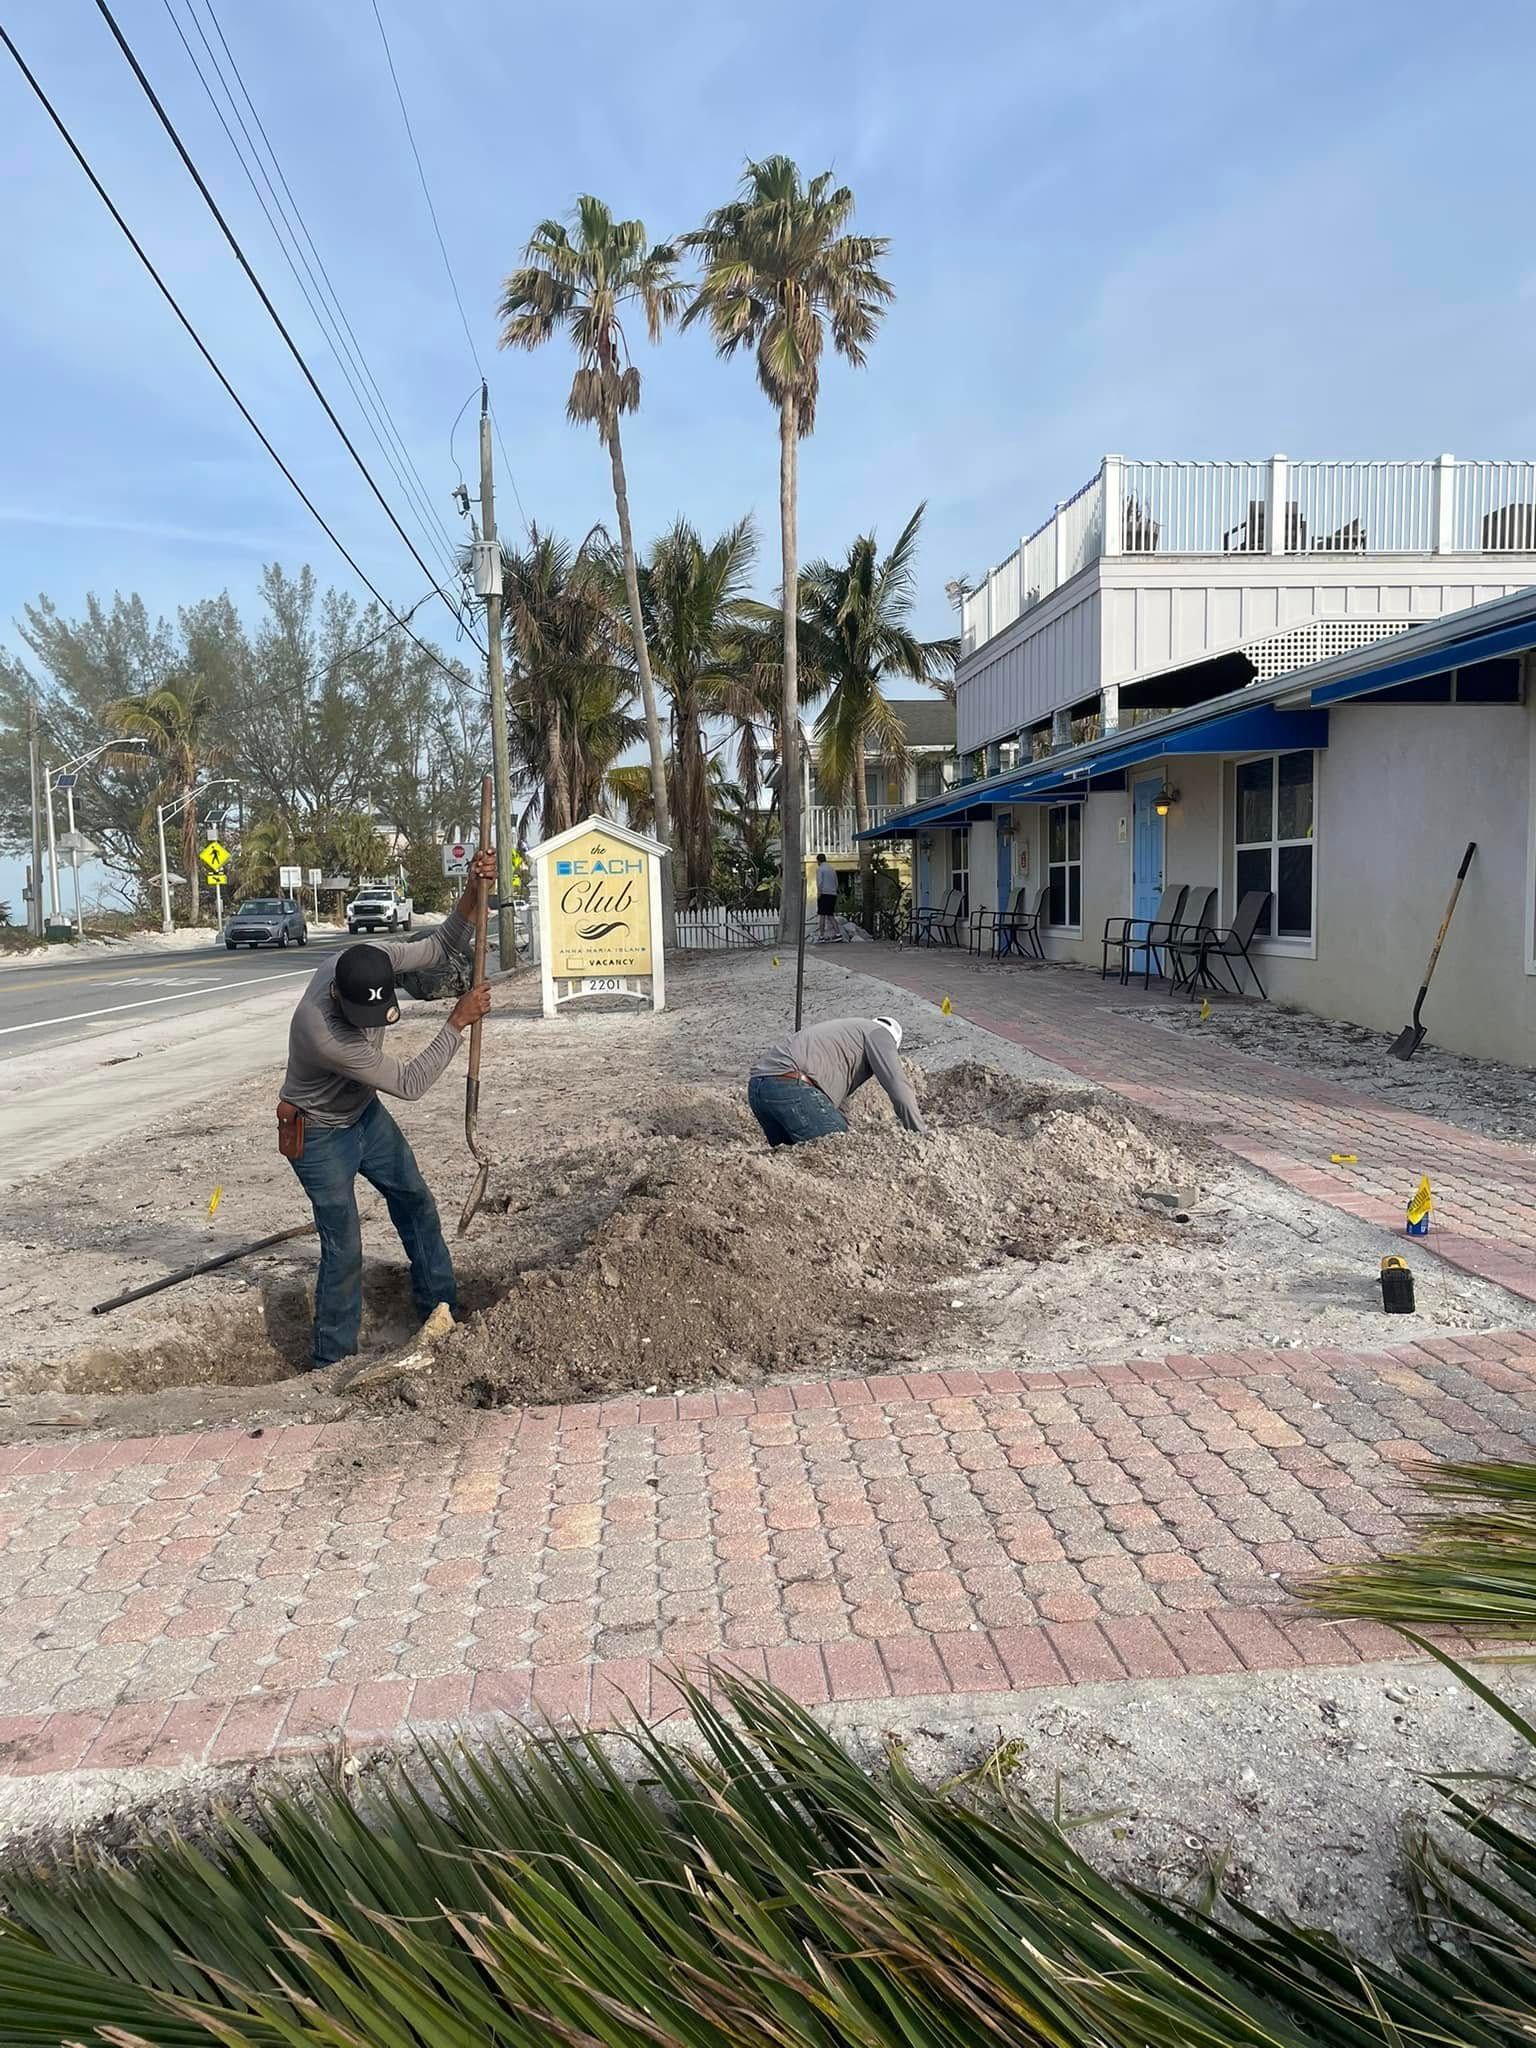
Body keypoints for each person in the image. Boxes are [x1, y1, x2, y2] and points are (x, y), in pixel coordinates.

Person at [277, 851, 496, 1370]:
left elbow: (441, 945)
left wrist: (471, 890)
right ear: (337, 994)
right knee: (344, 1242)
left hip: (364, 1117)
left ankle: (441, 1311)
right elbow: (412, 1082)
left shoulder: (372, 956)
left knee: (415, 1200)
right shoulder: (322, 1030)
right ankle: (332, 1358)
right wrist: (455, 1023)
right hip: (318, 1133)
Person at [748, 1014, 925, 1148]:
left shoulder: (849, 1041)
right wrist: (920, 1137)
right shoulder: (880, 1035)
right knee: (839, 1150)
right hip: (790, 1087)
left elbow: (837, 1106)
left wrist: (847, 1130)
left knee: (795, 1162)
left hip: (758, 1089)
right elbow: (899, 1087)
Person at [814, 853, 840, 941]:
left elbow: (820, 883)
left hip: (824, 894)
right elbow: (836, 883)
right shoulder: (832, 869)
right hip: (833, 894)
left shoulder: (820, 869)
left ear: (818, 860)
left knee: (822, 915)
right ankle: (838, 933)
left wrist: (819, 895)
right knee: (830, 915)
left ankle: (821, 936)